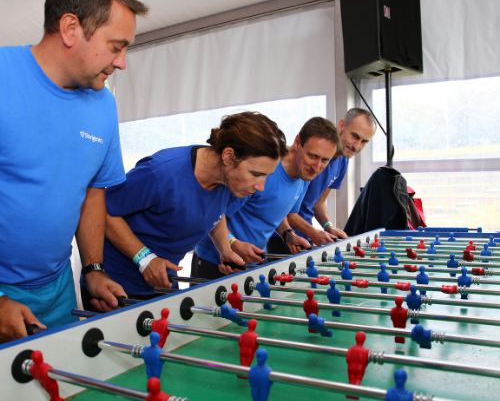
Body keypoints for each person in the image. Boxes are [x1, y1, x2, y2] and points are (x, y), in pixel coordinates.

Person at [0, 0, 148, 342]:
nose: (122, 63)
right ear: (70, 28)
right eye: (116, 46)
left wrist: (94, 269)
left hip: (59, 287)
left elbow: (92, 193)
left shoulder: (103, 105)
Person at [80, 112, 286, 309]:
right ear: (229, 156)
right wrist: (144, 258)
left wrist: (226, 248)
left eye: (266, 176)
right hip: (116, 283)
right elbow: (100, 210)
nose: (261, 186)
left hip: (165, 281)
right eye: (256, 174)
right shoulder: (161, 173)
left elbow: (216, 211)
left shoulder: (233, 182)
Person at [192, 117, 340, 280]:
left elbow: (278, 210)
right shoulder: (263, 169)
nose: (317, 167)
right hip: (215, 260)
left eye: (324, 160)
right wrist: (233, 242)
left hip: (252, 262)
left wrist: (288, 234)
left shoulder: (305, 174)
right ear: (297, 142)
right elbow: (215, 212)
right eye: (313, 156)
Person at [268, 108, 377, 254]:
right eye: (355, 136)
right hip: (279, 235)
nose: (356, 146)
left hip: (300, 233)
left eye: (364, 141)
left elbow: (318, 202)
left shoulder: (342, 162)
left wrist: (327, 226)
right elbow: (281, 208)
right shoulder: (300, 165)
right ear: (341, 126)